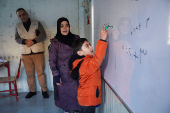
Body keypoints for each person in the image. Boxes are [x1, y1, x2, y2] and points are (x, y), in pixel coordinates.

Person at [68, 29, 108, 113]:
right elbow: (97, 59)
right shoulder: (85, 64)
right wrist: (102, 40)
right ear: (80, 53)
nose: (91, 47)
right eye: (87, 46)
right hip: (88, 100)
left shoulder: (82, 62)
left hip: (85, 99)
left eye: (89, 44)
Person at [15, 8, 49, 99]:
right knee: (29, 73)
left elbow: (43, 34)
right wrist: (25, 41)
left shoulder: (36, 22)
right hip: (25, 53)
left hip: (38, 51)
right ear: (18, 17)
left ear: (26, 14)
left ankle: (44, 91)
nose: (22, 17)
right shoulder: (18, 26)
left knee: (40, 72)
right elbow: (17, 38)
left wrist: (33, 41)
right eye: (20, 16)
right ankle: (32, 91)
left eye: (23, 14)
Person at [49, 17, 80, 113]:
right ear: (59, 28)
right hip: (63, 74)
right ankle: (66, 109)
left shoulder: (76, 39)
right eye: (62, 26)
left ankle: (76, 109)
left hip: (76, 72)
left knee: (76, 93)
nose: (65, 28)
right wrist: (56, 76)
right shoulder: (55, 43)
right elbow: (52, 61)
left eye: (67, 25)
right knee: (64, 94)